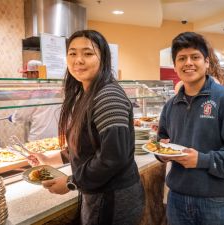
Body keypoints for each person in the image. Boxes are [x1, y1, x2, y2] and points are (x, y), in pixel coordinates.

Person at [27, 30, 144, 225]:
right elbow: (87, 143)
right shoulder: (86, 93)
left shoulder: (108, 96)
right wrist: (51, 159)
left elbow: (113, 157)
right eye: (72, 53)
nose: (78, 60)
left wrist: (71, 182)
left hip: (113, 199)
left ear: (103, 58)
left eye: (88, 53)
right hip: (98, 193)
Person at [157, 31, 224, 225]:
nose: (188, 63)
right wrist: (162, 152)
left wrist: (202, 160)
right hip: (177, 197)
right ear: (175, 66)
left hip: (216, 200)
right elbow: (162, 140)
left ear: (207, 62)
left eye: (195, 57)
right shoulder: (171, 105)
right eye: (182, 58)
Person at [9, 60, 61, 142]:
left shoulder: (33, 91)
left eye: (26, 74)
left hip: (39, 139)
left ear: (34, 74)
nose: (25, 77)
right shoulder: (55, 88)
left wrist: (13, 118)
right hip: (57, 138)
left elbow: (22, 114)